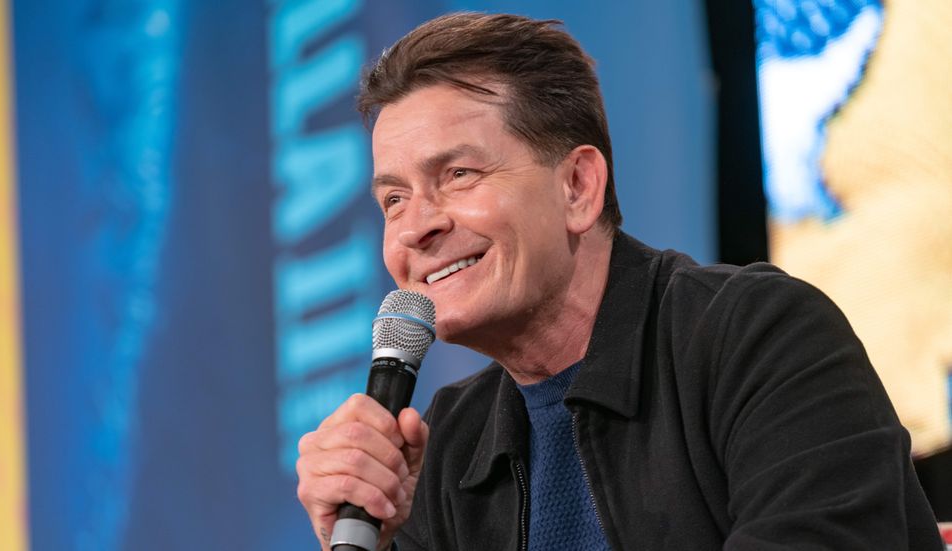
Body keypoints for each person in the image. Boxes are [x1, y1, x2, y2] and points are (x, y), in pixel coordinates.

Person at [295, 12, 943, 551]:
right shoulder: (446, 444)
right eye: (394, 200)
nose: (416, 227)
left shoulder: (762, 336)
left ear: (578, 186)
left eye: (458, 174)